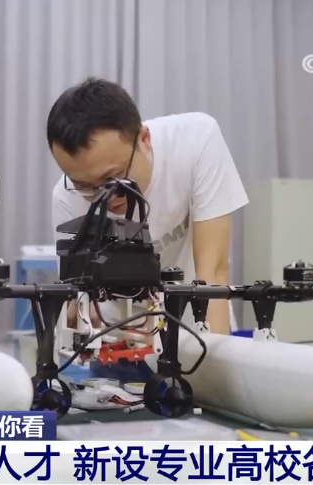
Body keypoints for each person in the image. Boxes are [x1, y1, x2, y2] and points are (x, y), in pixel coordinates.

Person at [47, 77, 248, 382]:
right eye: (85, 186)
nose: (103, 196)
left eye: (112, 179)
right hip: (121, 347)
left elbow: (213, 272)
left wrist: (212, 376)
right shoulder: (66, 197)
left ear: (143, 139)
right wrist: (80, 317)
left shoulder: (196, 141)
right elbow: (80, 297)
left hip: (197, 334)